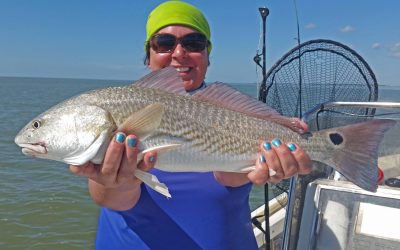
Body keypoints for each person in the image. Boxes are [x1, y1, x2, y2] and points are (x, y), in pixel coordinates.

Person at [70, 1, 312, 249]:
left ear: (208, 55)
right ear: (148, 55)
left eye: (193, 43)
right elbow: (108, 197)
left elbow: (229, 175)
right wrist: (115, 181)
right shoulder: (122, 105)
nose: (178, 53)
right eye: (164, 43)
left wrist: (275, 158)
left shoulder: (229, 112)